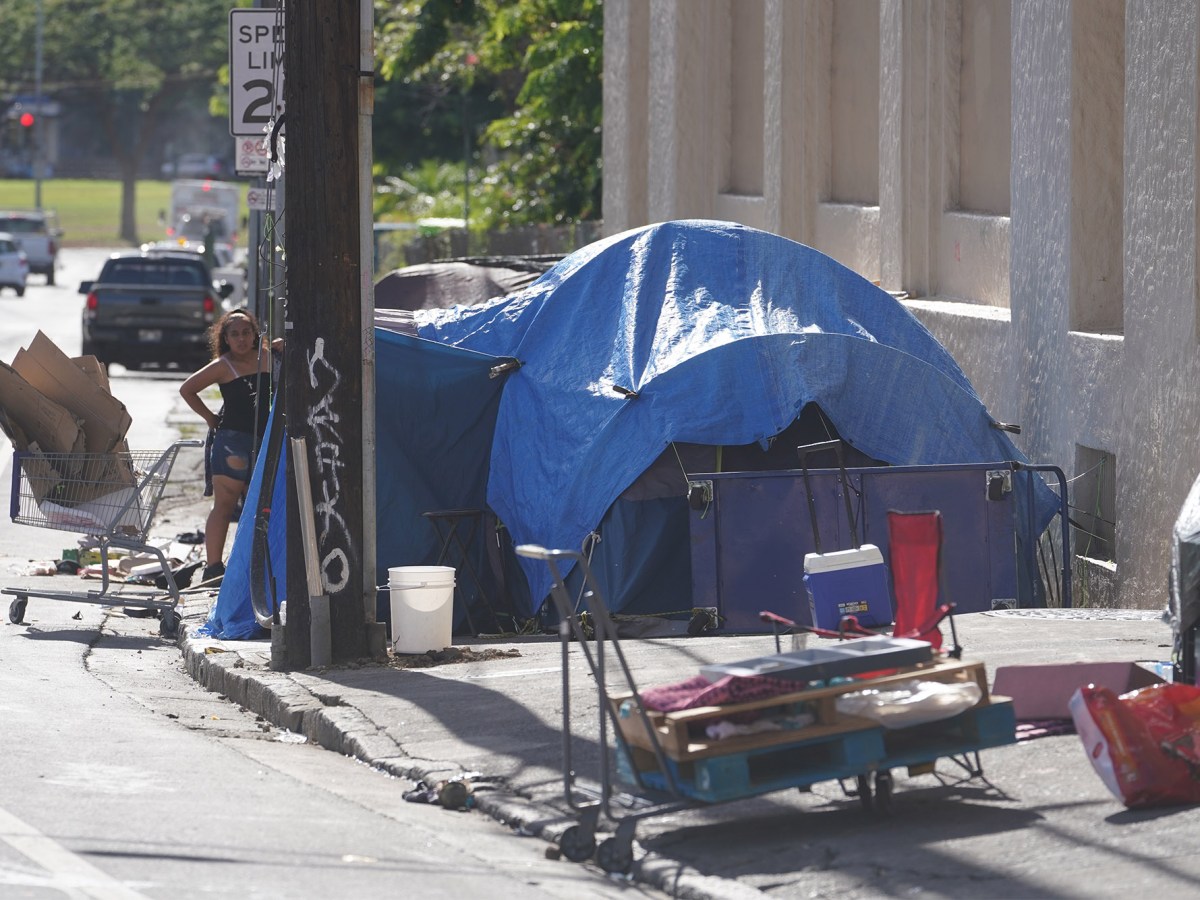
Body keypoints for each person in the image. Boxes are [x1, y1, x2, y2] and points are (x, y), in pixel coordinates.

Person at [180, 309, 279, 584]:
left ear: (254, 334)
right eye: (234, 334)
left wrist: (280, 344)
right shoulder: (224, 365)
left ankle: (248, 567)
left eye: (246, 332)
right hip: (231, 443)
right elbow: (187, 389)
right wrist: (210, 418)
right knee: (224, 505)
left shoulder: (268, 358)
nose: (241, 339)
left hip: (262, 441)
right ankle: (213, 569)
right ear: (225, 338)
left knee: (256, 509)